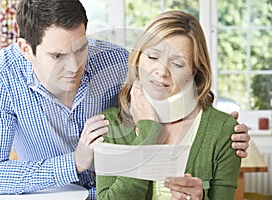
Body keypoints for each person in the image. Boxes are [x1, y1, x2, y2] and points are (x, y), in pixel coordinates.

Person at [0, 0, 248, 199]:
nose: (73, 66)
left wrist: (222, 126)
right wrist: (74, 162)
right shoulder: (1, 79)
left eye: (80, 48)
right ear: (26, 49)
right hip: (57, 195)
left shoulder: (115, 61)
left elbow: (172, 79)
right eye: (57, 56)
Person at [96, 10, 242, 200]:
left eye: (178, 64)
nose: (162, 71)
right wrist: (148, 131)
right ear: (138, 58)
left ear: (194, 70)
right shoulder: (110, 124)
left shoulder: (224, 130)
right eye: (153, 57)